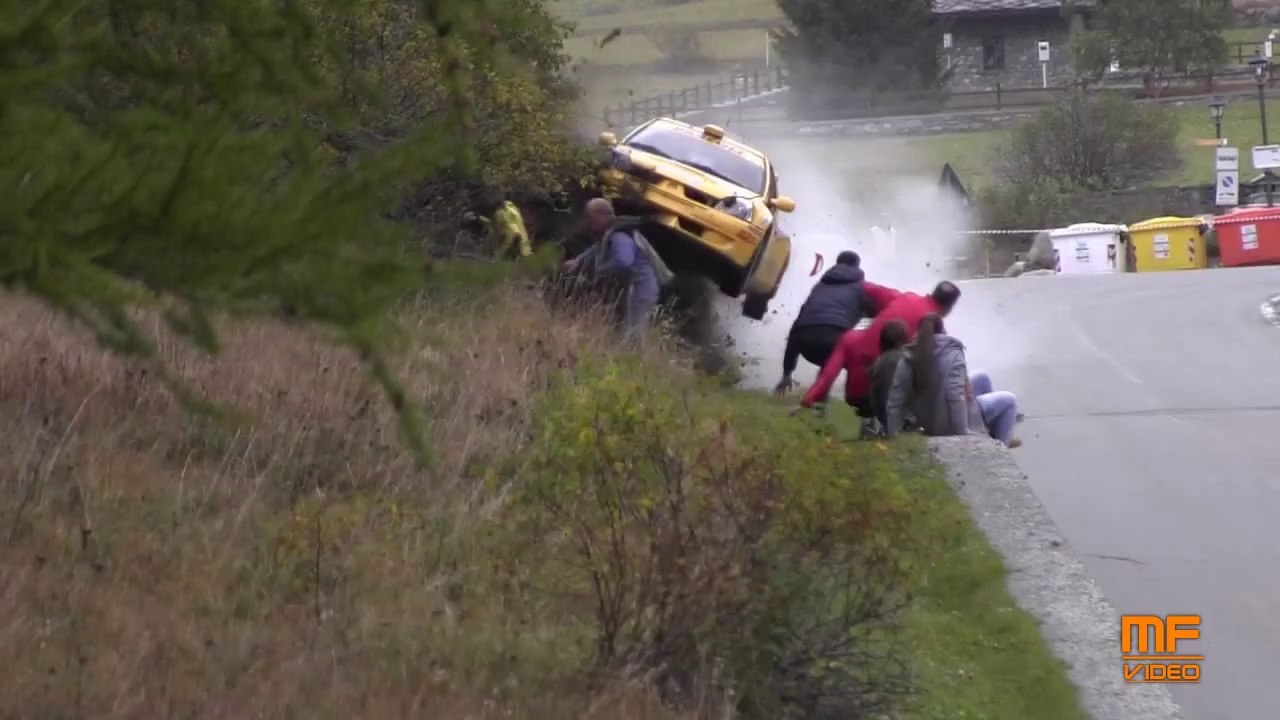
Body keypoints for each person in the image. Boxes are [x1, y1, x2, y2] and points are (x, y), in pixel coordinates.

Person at [799, 280, 963, 415]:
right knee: (926, 363)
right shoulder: (934, 327)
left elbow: (869, 289)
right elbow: (946, 363)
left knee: (849, 338)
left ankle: (812, 396)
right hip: (884, 394)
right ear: (949, 308)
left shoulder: (906, 297)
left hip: (854, 392)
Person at [773, 251, 896, 396]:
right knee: (850, 351)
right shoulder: (862, 288)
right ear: (857, 266)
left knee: (810, 332)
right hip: (833, 340)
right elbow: (875, 313)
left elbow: (798, 326)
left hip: (804, 343)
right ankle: (863, 400)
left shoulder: (820, 286)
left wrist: (787, 372)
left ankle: (808, 390)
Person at [563, 198, 671, 339]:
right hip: (635, 285)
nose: (589, 222)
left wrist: (600, 270)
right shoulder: (610, 231)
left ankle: (633, 358)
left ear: (600, 215)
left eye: (590, 217)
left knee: (633, 332)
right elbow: (596, 248)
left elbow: (623, 261)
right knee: (624, 329)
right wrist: (577, 261)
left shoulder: (619, 235)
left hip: (640, 286)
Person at [884, 314, 984, 439]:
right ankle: (998, 438)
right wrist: (963, 431)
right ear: (943, 330)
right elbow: (955, 395)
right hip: (950, 425)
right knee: (1007, 401)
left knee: (981, 378)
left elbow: (895, 400)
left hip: (926, 423)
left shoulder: (908, 356)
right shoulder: (953, 353)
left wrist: (892, 434)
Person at [868, 319, 910, 433]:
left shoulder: (879, 362)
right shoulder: (902, 359)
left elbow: (876, 399)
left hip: (886, 419)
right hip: (902, 422)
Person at [462, 193, 534, 259]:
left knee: (507, 236)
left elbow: (490, 224)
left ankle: (499, 257)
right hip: (508, 208)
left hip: (501, 216)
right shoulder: (507, 208)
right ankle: (524, 252)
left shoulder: (480, 214)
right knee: (519, 231)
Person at [968, 370, 1023, 448]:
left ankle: (998, 431)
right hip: (961, 408)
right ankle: (999, 447)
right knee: (1009, 401)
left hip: (959, 399)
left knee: (982, 378)